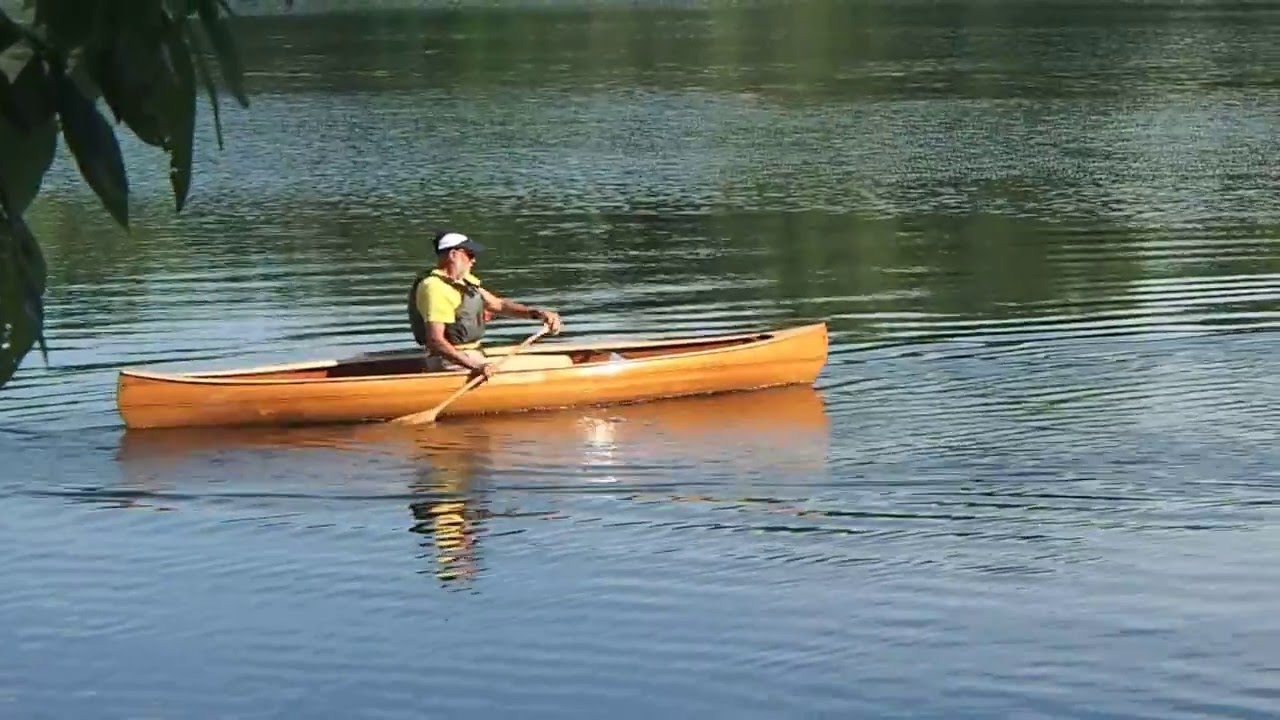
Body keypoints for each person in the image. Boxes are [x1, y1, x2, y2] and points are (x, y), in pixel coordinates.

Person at [408, 231, 563, 377]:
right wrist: (476, 367)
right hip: (452, 362)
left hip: (472, 355)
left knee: (561, 361)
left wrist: (538, 314)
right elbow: (436, 342)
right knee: (560, 364)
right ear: (453, 255)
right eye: (470, 255)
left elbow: (499, 305)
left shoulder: (463, 282)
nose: (473, 260)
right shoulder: (435, 288)